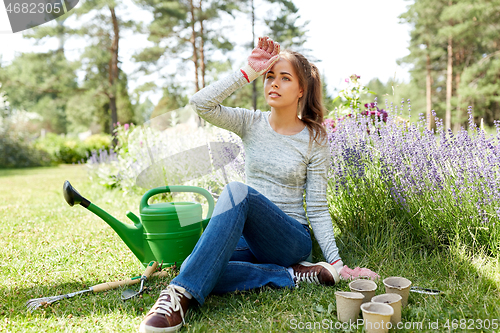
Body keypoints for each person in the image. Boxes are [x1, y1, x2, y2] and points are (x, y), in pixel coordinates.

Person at [139, 37, 379, 333]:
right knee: (194, 264)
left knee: (236, 193)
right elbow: (201, 103)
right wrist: (248, 71)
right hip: (251, 241)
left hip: (290, 239)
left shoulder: (315, 139)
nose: (274, 84)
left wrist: (337, 263)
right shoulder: (250, 122)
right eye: (269, 77)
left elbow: (317, 207)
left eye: (285, 78)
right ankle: (291, 276)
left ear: (301, 90)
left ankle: (178, 297)